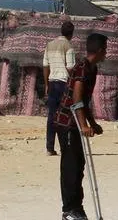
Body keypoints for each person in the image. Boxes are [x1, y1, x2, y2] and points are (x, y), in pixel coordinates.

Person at [54, 32, 107, 220]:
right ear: (100, 50)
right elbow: (76, 98)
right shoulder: (82, 68)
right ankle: (69, 209)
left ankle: (77, 206)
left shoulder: (92, 68)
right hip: (67, 122)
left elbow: (85, 100)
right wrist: (84, 125)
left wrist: (92, 123)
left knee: (79, 165)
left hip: (76, 122)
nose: (106, 53)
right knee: (71, 165)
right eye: (105, 50)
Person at [43, 20, 76, 156]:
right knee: (65, 116)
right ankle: (65, 147)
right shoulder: (68, 46)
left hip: (52, 82)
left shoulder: (50, 45)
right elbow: (70, 68)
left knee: (51, 116)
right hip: (64, 84)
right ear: (71, 34)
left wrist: (46, 84)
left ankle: (50, 148)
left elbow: (45, 66)